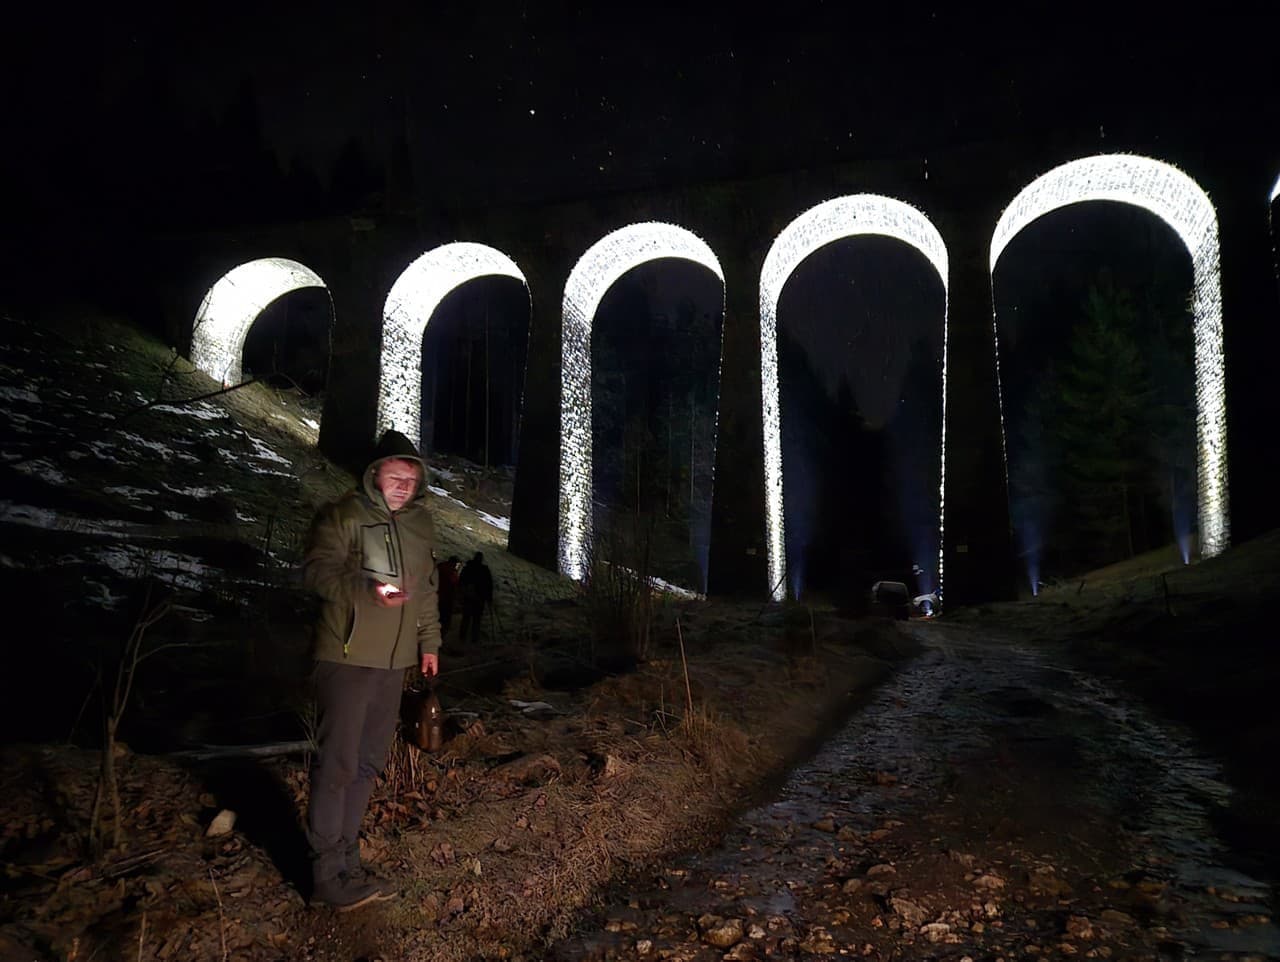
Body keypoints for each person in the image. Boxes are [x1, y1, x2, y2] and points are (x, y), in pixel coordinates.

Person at [301, 430, 442, 911]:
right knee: (337, 764)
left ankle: (348, 863)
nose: (403, 486)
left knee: (367, 764)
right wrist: (368, 591)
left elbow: (426, 592)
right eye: (395, 476)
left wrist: (429, 644)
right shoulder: (343, 515)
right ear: (374, 474)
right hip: (346, 657)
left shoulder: (421, 526)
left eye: (411, 479)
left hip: (394, 663)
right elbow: (317, 572)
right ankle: (325, 876)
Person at [457, 551, 493, 647]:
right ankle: (473, 639)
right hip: (479, 598)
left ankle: (462, 637)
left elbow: (461, 581)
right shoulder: (484, 570)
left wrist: (462, 592)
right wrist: (489, 598)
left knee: (466, 618)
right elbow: (489, 586)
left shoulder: (468, 568)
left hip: (469, 597)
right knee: (476, 619)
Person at [437, 554, 460, 635]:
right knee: (445, 619)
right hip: (447, 598)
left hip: (437, 596)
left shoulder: (439, 567)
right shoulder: (451, 572)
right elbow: (455, 583)